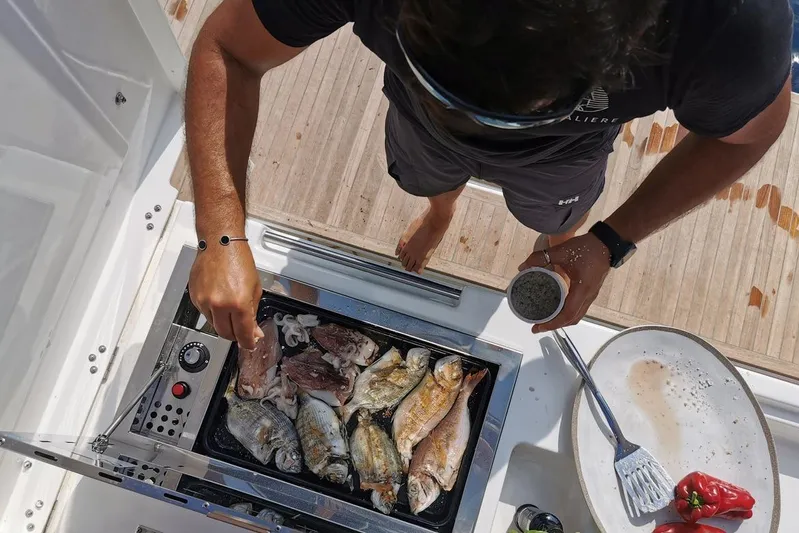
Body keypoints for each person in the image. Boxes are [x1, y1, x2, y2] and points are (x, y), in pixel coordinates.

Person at [185, 0, 794, 349]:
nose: (476, 127)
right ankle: (440, 210)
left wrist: (609, 242)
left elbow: (747, 136)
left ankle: (560, 243)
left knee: (558, 215)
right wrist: (220, 233)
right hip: (416, 123)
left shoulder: (725, 22)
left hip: (564, 156)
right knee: (428, 176)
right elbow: (229, 48)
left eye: (505, 113)